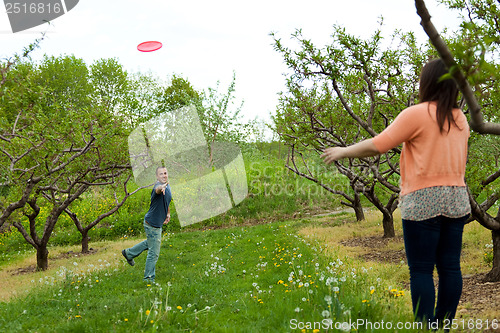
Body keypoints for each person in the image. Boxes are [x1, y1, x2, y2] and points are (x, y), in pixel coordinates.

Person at [321, 59, 470, 328]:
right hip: (457, 198)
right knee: (450, 268)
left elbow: (379, 145)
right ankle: (443, 325)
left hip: (423, 199)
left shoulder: (417, 113)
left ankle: (426, 327)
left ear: (427, 83)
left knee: (422, 270)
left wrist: (343, 151)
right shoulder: (460, 119)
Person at [122, 166, 172, 283]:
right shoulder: (158, 186)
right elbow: (158, 190)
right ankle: (148, 279)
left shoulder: (168, 185)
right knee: (153, 253)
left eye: (165, 173)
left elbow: (167, 200)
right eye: (161, 174)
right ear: (157, 176)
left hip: (156, 222)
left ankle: (129, 253)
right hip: (152, 224)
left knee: (151, 242)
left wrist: (167, 213)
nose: (164, 175)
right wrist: (161, 187)